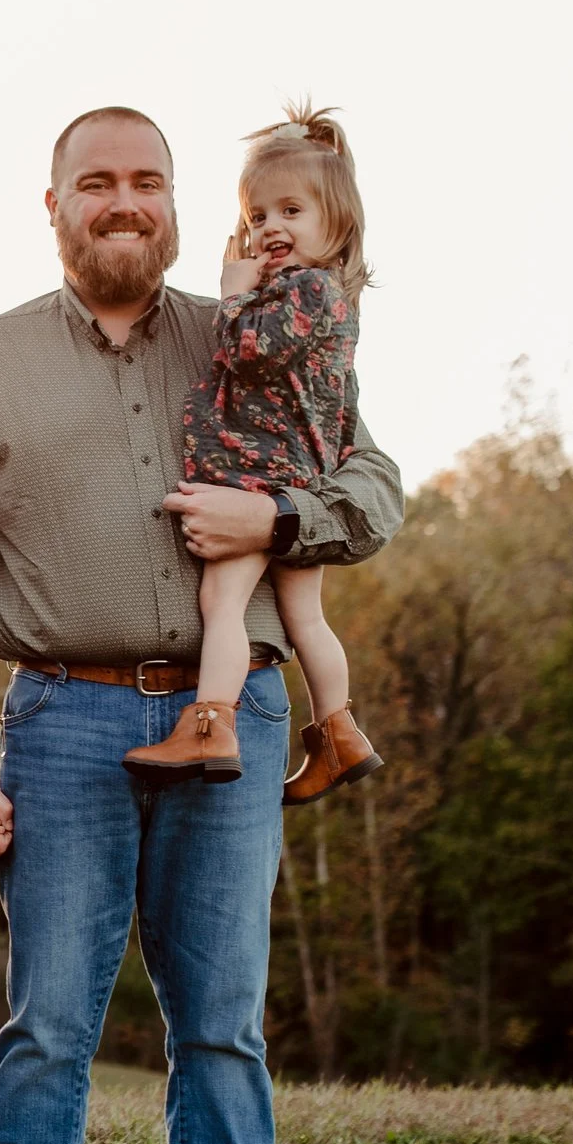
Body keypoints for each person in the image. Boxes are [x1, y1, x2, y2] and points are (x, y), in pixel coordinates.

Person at [0, 107, 403, 1144]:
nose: (125, 201)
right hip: (61, 721)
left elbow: (379, 487)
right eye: (97, 182)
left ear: (182, 204)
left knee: (221, 1030)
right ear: (53, 202)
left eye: (148, 181)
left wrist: (281, 515)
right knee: (48, 1027)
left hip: (235, 718)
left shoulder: (251, 327)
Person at [123, 105, 384, 801]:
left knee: (223, 599)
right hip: (299, 480)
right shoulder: (321, 296)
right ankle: (338, 732)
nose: (271, 228)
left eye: (291, 210)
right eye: (258, 214)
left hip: (256, 478)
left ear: (337, 226)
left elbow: (247, 350)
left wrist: (232, 296)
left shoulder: (307, 291)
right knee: (305, 615)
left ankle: (211, 722)